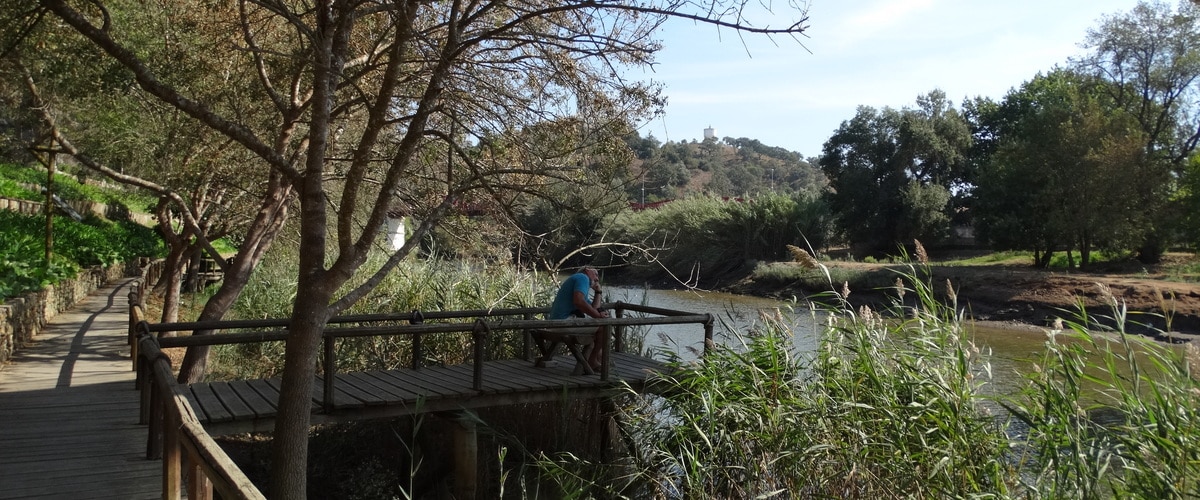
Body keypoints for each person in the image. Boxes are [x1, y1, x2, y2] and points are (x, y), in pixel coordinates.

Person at [549, 266, 608, 371]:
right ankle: (592, 361)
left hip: (556, 324)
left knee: (598, 326)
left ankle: (596, 358)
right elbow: (579, 302)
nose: (597, 279)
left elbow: (594, 309)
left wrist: (598, 292)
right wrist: (599, 316)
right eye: (595, 274)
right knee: (604, 327)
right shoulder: (582, 277)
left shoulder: (579, 284)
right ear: (587, 270)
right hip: (562, 323)